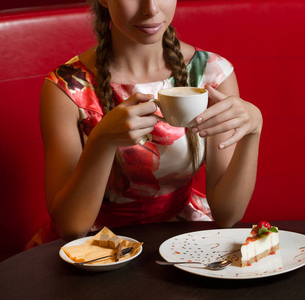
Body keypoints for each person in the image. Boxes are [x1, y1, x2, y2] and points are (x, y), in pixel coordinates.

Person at [26, 0, 262, 247]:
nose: (150, 9)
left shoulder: (211, 74)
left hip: (180, 236)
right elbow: (71, 227)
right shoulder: (66, 88)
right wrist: (102, 141)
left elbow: (228, 215)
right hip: (93, 247)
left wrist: (253, 132)